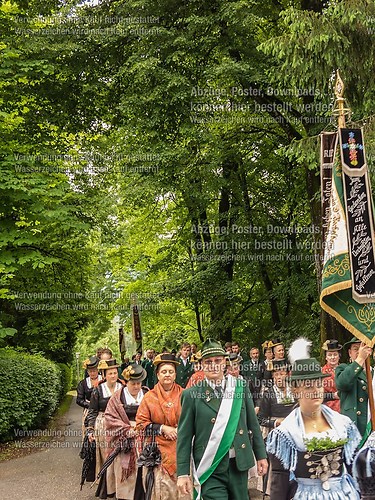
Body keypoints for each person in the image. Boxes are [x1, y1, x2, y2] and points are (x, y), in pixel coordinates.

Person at [267, 338, 361, 499]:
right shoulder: (285, 433)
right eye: (308, 386)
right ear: (296, 391)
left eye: (318, 384)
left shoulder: (342, 423)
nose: (316, 390)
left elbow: (353, 467)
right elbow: (279, 479)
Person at [177, 338, 268, 500]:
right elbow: (184, 437)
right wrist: (183, 473)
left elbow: (253, 424)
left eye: (217, 360)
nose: (213, 365)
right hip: (210, 467)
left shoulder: (240, 388)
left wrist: (261, 455)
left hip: (238, 464)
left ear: (225, 362)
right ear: (202, 365)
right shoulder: (191, 395)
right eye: (208, 361)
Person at [136, 353, 184, 499]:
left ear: (175, 374)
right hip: (157, 450)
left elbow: (193, 421)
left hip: (181, 447)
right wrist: (162, 428)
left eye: (170, 371)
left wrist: (179, 430)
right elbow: (140, 425)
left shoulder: (185, 395)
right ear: (157, 375)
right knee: (161, 491)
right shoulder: (149, 397)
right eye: (164, 372)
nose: (167, 375)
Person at [104, 363, 148, 500]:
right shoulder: (117, 398)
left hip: (146, 438)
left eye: (138, 383)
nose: (136, 386)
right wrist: (127, 430)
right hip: (125, 440)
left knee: (145, 470)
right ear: (126, 382)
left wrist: (144, 427)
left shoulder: (148, 394)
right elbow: (110, 418)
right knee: (125, 471)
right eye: (133, 383)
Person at [86, 359, 124, 498]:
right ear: (105, 375)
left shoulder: (123, 387)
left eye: (115, 373)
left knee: (120, 456)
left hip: (120, 424)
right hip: (103, 425)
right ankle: (107, 487)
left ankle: (120, 486)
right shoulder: (98, 389)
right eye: (110, 373)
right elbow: (92, 411)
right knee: (107, 457)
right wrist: (90, 430)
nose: (113, 375)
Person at [335, 337, 373, 437]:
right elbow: (343, 383)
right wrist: (360, 358)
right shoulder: (343, 368)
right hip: (354, 426)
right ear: (349, 352)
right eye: (356, 349)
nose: (360, 351)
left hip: (371, 424)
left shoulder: (373, 372)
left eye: (364, 348)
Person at [77, 355, 102, 438]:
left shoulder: (103, 381)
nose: (92, 373)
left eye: (94, 371)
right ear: (87, 371)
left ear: (98, 370)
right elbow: (79, 400)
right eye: (90, 371)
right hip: (88, 411)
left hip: (103, 410)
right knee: (89, 434)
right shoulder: (83, 383)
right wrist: (90, 405)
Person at [321, 339, 342, 413]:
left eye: (335, 354)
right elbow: (318, 394)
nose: (332, 357)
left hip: (346, 407)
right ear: (326, 357)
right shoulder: (321, 373)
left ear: (339, 356)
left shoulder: (345, 370)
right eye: (330, 355)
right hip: (329, 409)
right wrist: (333, 395)